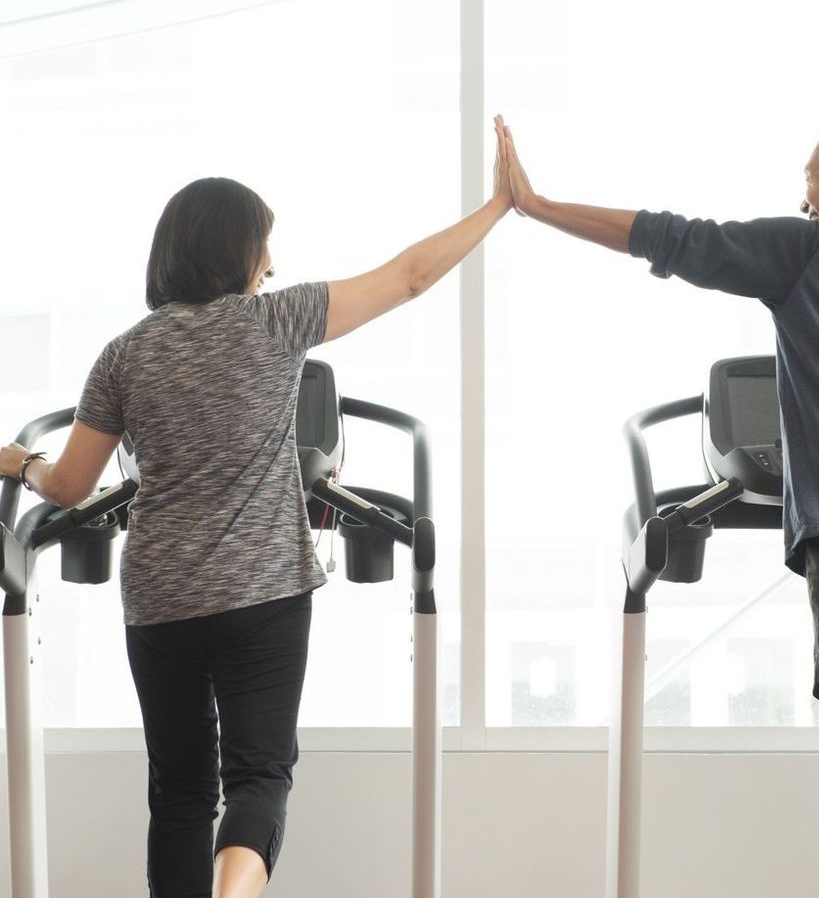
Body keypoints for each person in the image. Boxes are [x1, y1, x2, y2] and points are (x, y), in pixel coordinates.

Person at [0, 118, 512, 898]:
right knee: (259, 777)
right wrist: (499, 205)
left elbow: (70, 487)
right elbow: (409, 276)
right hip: (263, 594)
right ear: (235, 250)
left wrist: (22, 463)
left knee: (178, 794)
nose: (274, 263)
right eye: (264, 245)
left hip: (161, 598)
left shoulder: (124, 353)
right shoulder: (277, 323)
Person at [497, 110, 819, 898]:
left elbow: (672, 237)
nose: (805, 200)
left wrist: (537, 203)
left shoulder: (813, 251)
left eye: (812, 179)